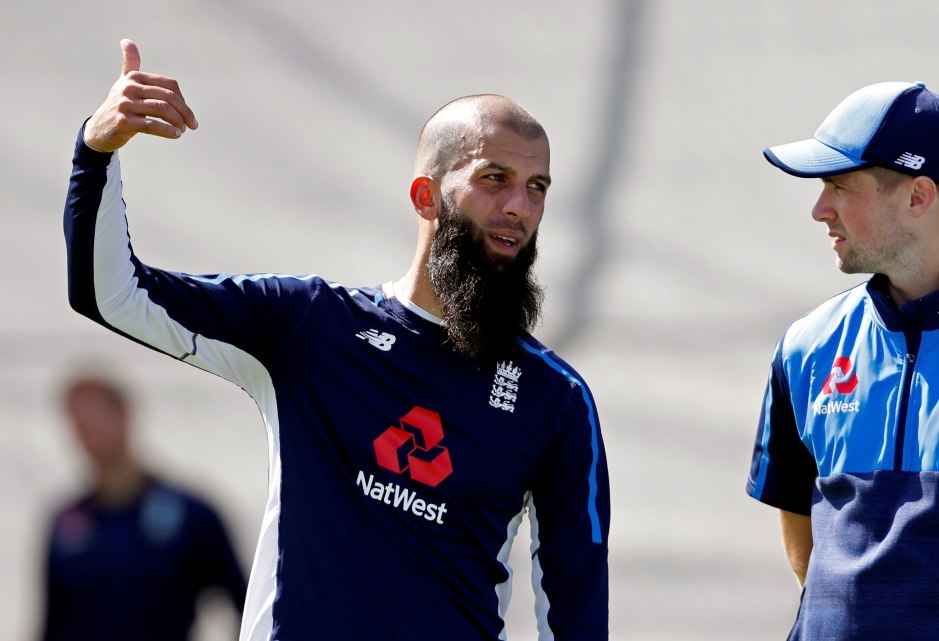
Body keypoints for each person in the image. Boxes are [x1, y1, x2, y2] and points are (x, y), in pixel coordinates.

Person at [63, 40, 610, 640]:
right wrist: (96, 149)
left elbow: (575, 612)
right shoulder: (309, 324)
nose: (520, 207)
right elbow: (112, 294)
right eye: (494, 178)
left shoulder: (556, 398)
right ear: (426, 197)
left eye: (538, 187)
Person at [744, 80, 939, 639]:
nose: (818, 209)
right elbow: (798, 515)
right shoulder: (807, 344)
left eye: (838, 185)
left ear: (917, 195)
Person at [43, 374, 246, 641]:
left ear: (125, 415)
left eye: (98, 414)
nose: (88, 428)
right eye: (78, 420)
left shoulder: (191, 515)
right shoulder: (67, 523)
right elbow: (51, 622)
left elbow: (244, 605)